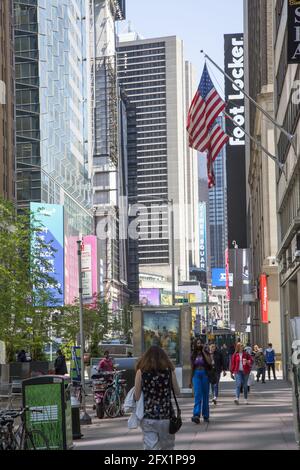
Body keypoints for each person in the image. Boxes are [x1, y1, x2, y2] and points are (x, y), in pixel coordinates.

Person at [134, 345, 180, 450]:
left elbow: (136, 396)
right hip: (166, 416)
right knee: (167, 447)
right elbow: (177, 392)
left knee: (151, 447)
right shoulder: (169, 372)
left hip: (148, 416)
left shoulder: (140, 372)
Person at [190, 339, 212, 424]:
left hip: (205, 374)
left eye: (200, 343)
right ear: (195, 344)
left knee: (205, 395)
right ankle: (196, 415)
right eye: (198, 343)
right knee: (197, 394)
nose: (199, 344)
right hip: (196, 374)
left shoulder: (206, 353)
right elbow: (192, 368)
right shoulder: (193, 354)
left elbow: (209, 362)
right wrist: (190, 380)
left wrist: (203, 351)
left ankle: (206, 415)